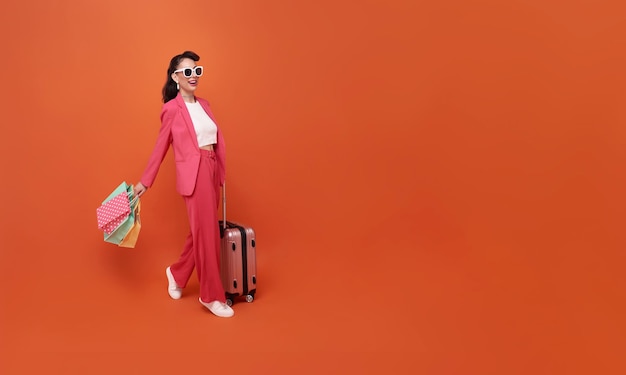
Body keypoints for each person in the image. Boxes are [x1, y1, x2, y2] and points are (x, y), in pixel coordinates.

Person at [133, 51, 234, 318]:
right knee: (207, 235)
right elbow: (160, 147)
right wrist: (146, 181)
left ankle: (176, 275)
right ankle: (211, 296)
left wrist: (219, 173)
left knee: (202, 230)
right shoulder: (171, 109)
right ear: (176, 77)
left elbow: (214, 140)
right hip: (195, 171)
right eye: (187, 72)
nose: (193, 76)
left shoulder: (205, 105)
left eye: (196, 71)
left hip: (211, 168)